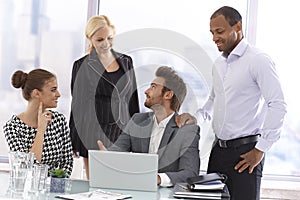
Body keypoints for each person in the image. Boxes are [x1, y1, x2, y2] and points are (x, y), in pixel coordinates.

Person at [192, 6, 286, 200]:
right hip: (218, 152)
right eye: (212, 33)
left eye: (220, 32)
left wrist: (261, 149)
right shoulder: (219, 63)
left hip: (246, 153)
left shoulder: (258, 60)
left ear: (238, 26)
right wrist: (194, 118)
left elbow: (277, 104)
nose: (214, 38)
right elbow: (212, 101)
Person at [98, 66, 200, 186]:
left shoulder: (187, 130)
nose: (146, 91)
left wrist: (157, 179)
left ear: (168, 94)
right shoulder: (137, 120)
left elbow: (190, 173)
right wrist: (107, 156)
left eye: (153, 87)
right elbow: (118, 151)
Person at [69, 15, 140, 179]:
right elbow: (77, 105)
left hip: (122, 131)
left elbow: (132, 99)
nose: (106, 43)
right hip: (93, 132)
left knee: (120, 182)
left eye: (109, 38)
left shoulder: (126, 61)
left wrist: (137, 132)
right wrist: (73, 140)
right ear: (90, 39)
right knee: (97, 183)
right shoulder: (82, 65)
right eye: (100, 39)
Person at [3, 69, 73, 177]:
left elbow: (67, 162)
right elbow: (26, 168)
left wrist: (55, 187)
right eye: (53, 90)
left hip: (54, 190)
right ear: (36, 93)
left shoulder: (59, 120)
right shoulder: (13, 128)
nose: (58, 94)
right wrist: (41, 130)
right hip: (27, 191)